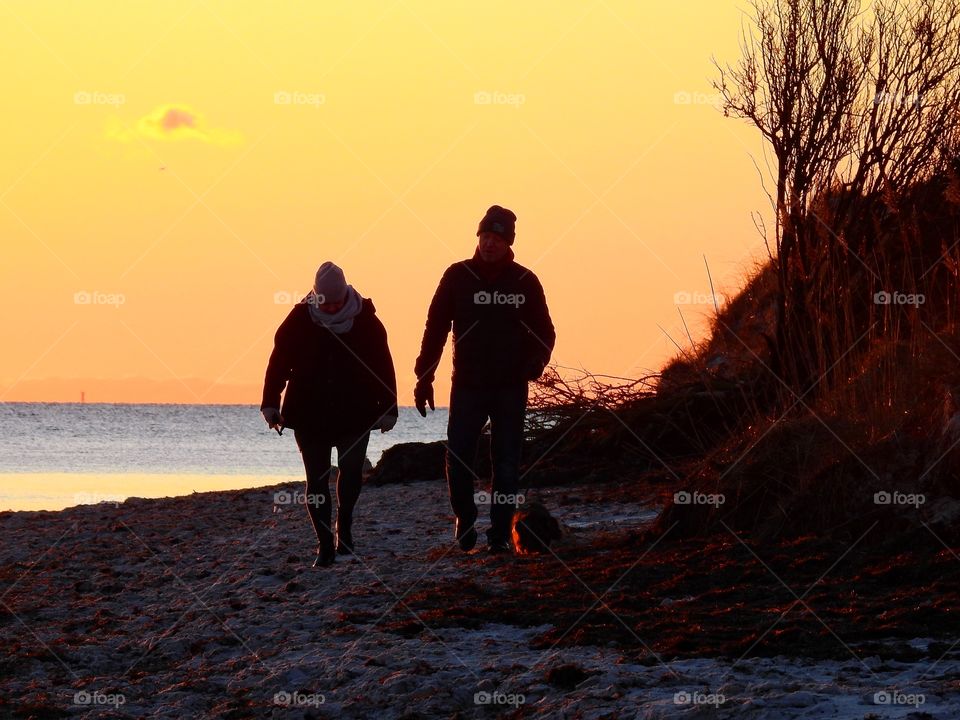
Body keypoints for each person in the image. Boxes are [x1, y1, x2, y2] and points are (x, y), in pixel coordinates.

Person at [414, 205, 555, 554]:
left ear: (508, 243)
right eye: (485, 237)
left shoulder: (525, 281)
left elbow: (544, 332)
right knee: (459, 456)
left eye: (497, 238)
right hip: (468, 385)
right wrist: (424, 376)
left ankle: (499, 533)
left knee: (506, 461)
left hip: (510, 386)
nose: (490, 244)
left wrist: (534, 364)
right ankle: (464, 515)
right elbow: (435, 329)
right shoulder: (457, 276)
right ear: (478, 238)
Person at [261, 262, 398, 567]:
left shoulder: (366, 320)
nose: (333, 307)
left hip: (356, 411)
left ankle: (344, 526)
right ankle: (324, 545)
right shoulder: (297, 321)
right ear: (315, 296)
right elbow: (277, 365)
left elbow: (383, 367)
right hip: (309, 414)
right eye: (326, 302)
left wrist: (389, 408)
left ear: (346, 293)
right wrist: (270, 404)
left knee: (351, 470)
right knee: (316, 479)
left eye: (337, 301)